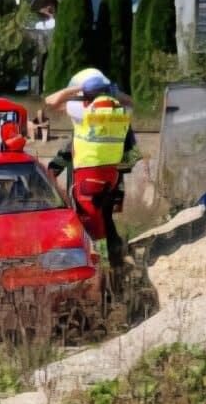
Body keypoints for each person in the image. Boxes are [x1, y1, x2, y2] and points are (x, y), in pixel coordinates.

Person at [44, 67, 137, 266]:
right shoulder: (122, 114)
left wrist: (78, 88)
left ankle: (101, 268)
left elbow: (51, 101)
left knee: (92, 226)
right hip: (112, 178)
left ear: (86, 96)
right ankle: (115, 259)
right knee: (106, 219)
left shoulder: (85, 114)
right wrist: (111, 90)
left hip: (87, 179)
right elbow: (130, 101)